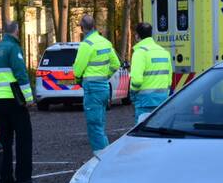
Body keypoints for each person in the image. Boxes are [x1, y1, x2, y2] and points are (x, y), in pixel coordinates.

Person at [0, 21, 41, 183]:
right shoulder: (13, 48)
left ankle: (5, 178)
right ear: (17, 31)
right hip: (15, 100)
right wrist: (29, 98)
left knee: (5, 139)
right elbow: (21, 74)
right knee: (24, 138)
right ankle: (23, 178)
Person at [72, 14, 120, 155]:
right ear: (94, 26)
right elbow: (116, 63)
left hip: (92, 89)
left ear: (82, 28)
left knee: (94, 126)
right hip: (104, 87)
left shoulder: (86, 45)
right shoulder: (105, 42)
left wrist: (79, 78)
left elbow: (77, 70)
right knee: (100, 124)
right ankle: (105, 156)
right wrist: (106, 75)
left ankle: (102, 158)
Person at [129, 22, 172, 123]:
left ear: (137, 36)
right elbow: (169, 80)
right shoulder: (164, 52)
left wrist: (133, 95)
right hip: (162, 100)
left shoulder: (139, 53)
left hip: (144, 102)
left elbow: (137, 81)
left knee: (143, 135)